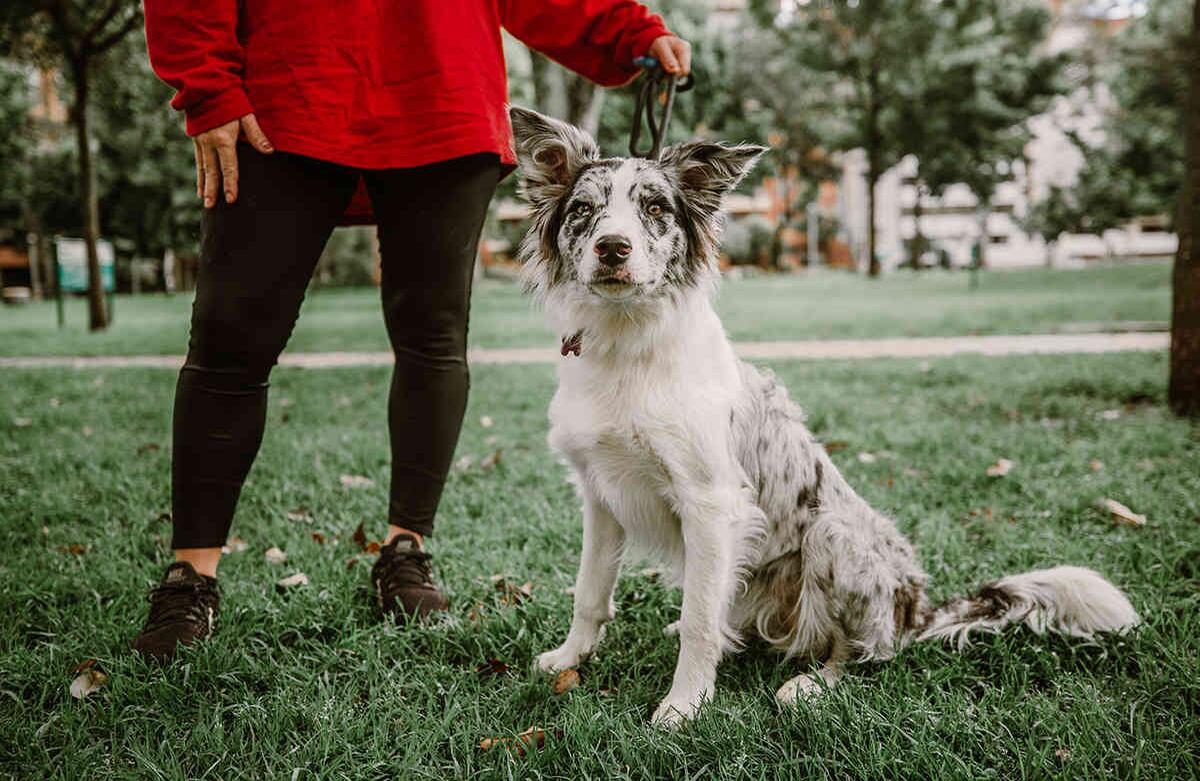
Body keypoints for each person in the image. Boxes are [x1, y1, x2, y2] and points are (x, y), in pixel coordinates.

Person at [132, 0, 691, 659]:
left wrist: (628, 31)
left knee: (432, 338)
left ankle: (407, 549)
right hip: (284, 90)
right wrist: (208, 84)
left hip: (443, 96)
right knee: (231, 339)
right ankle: (190, 576)